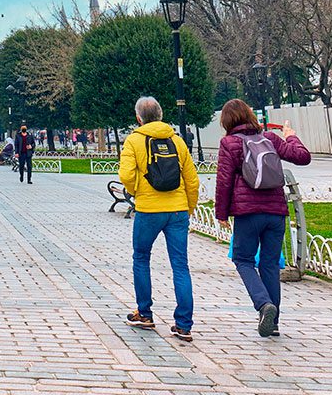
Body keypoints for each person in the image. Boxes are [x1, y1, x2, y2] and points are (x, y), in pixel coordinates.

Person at [214, 99, 311, 337]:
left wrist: (222, 213)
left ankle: (262, 304)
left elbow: (224, 180)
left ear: (227, 121)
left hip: (248, 214)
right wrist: (290, 136)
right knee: (269, 264)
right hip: (276, 211)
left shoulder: (229, 143)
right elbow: (303, 157)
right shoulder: (270, 139)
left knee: (243, 259)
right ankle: (273, 321)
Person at [119, 96, 199, 342]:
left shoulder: (134, 140)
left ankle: (145, 312)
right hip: (177, 210)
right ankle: (184, 323)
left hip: (149, 209)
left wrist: (136, 192)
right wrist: (189, 207)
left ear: (138, 117)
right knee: (180, 264)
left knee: (141, 258)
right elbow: (191, 178)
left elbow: (126, 175)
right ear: (161, 115)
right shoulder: (176, 140)